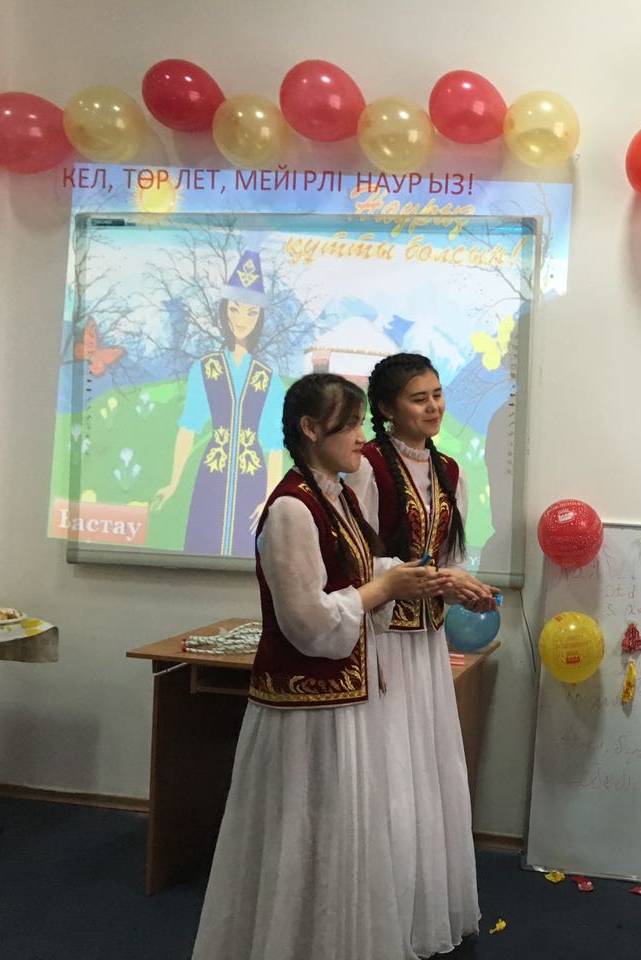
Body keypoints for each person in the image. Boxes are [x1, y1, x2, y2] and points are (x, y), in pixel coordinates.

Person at [192, 373, 459, 960]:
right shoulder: (292, 508)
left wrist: (409, 578)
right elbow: (307, 620)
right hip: (307, 708)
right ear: (311, 429)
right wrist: (383, 588)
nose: (363, 438)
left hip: (343, 702)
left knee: (340, 835)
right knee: (305, 835)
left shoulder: (335, 497)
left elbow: (360, 568)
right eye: (351, 426)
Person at [345, 352, 498, 955]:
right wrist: (434, 578)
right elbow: (357, 559)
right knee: (390, 774)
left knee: (427, 769)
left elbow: (450, 554)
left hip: (427, 641)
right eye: (418, 397)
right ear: (386, 409)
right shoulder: (365, 465)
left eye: (437, 394)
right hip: (382, 638)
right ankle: (380, 915)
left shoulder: (449, 468)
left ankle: (421, 906)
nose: (433, 406)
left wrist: (466, 585)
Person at [153, 250, 288, 557]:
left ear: (259, 318)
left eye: (251, 313)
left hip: (253, 476)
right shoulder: (205, 369)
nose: (241, 320)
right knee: (203, 541)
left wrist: (269, 495)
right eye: (235, 310)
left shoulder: (268, 379)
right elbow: (188, 428)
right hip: (211, 474)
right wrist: (173, 482)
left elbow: (274, 446)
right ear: (224, 310)